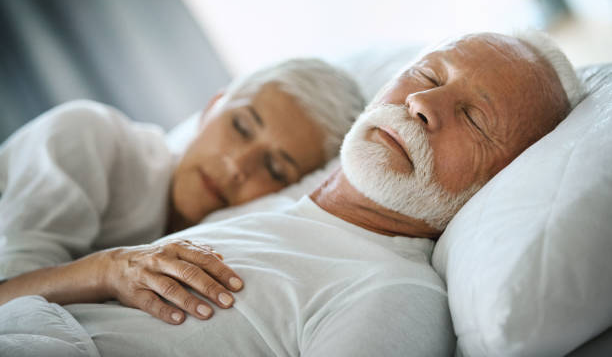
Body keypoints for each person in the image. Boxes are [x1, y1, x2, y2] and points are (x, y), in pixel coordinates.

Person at [0, 31, 581, 357]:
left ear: (502, 175)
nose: (423, 105)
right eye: (427, 77)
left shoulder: (391, 292)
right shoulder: (259, 215)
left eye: (475, 120)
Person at [0, 59, 365, 308]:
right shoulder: (89, 135)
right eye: (240, 127)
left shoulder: (232, 246)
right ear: (212, 108)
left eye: (273, 167)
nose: (237, 164)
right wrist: (106, 270)